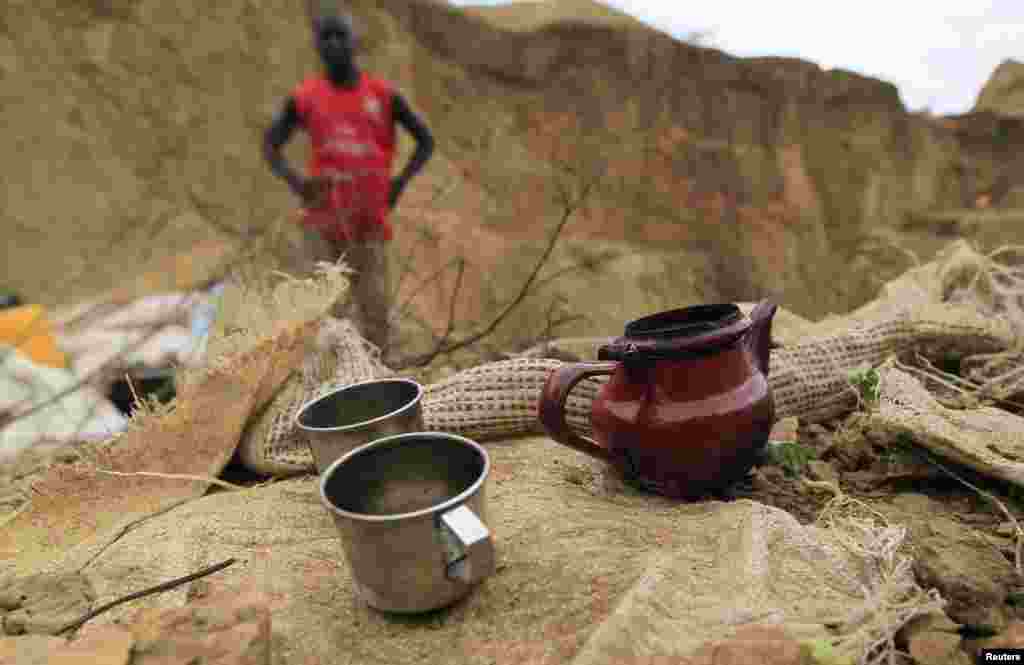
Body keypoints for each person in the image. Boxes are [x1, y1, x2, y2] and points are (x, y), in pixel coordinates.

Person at [263, 10, 434, 357]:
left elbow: (425, 140)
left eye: (340, 35)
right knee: (328, 318)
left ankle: (382, 389)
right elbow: (270, 145)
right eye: (326, 37)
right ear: (317, 47)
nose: (334, 44)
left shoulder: (383, 95)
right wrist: (299, 185)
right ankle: (335, 391)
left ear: (354, 41)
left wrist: (397, 186)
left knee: (376, 317)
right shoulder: (306, 97)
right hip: (322, 226)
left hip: (369, 224)